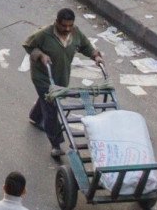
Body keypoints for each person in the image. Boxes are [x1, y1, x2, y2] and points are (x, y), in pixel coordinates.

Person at [23, 8, 103, 158]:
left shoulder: (75, 33)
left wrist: (95, 56)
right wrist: (40, 55)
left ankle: (35, 116)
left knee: (47, 101)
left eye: (69, 26)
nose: (67, 29)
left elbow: (85, 46)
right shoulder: (45, 34)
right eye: (63, 26)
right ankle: (56, 144)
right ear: (56, 23)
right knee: (52, 108)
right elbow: (28, 45)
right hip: (43, 77)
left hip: (61, 77)